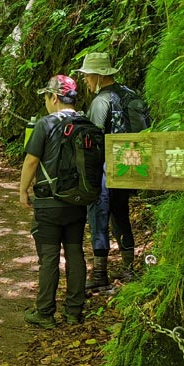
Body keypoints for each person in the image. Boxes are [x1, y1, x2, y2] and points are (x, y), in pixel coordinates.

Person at [19, 75, 88, 328]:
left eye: (47, 97)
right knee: (75, 253)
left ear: (54, 97)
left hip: (49, 203)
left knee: (49, 257)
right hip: (78, 201)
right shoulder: (86, 123)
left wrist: (23, 190)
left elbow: (31, 161)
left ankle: (45, 313)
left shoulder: (45, 124)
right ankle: (74, 312)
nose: (46, 103)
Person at [77, 51, 136, 285]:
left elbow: (92, 140)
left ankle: (100, 273)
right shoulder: (131, 95)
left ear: (99, 76)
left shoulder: (101, 101)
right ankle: (130, 269)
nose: (86, 81)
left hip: (104, 168)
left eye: (88, 76)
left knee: (99, 215)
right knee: (121, 215)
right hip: (128, 165)